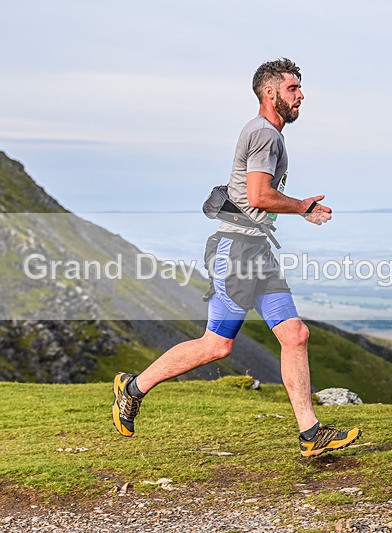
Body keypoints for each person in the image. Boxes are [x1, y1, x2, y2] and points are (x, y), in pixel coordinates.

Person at [112, 58, 361, 457]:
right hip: (237, 252)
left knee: (295, 334)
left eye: (299, 88)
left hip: (257, 250)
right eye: (293, 88)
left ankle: (310, 434)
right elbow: (260, 195)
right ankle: (133, 387)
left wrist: (298, 209)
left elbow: (254, 199)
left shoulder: (267, 133)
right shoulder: (264, 134)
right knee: (217, 346)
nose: (301, 95)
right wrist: (301, 207)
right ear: (270, 93)